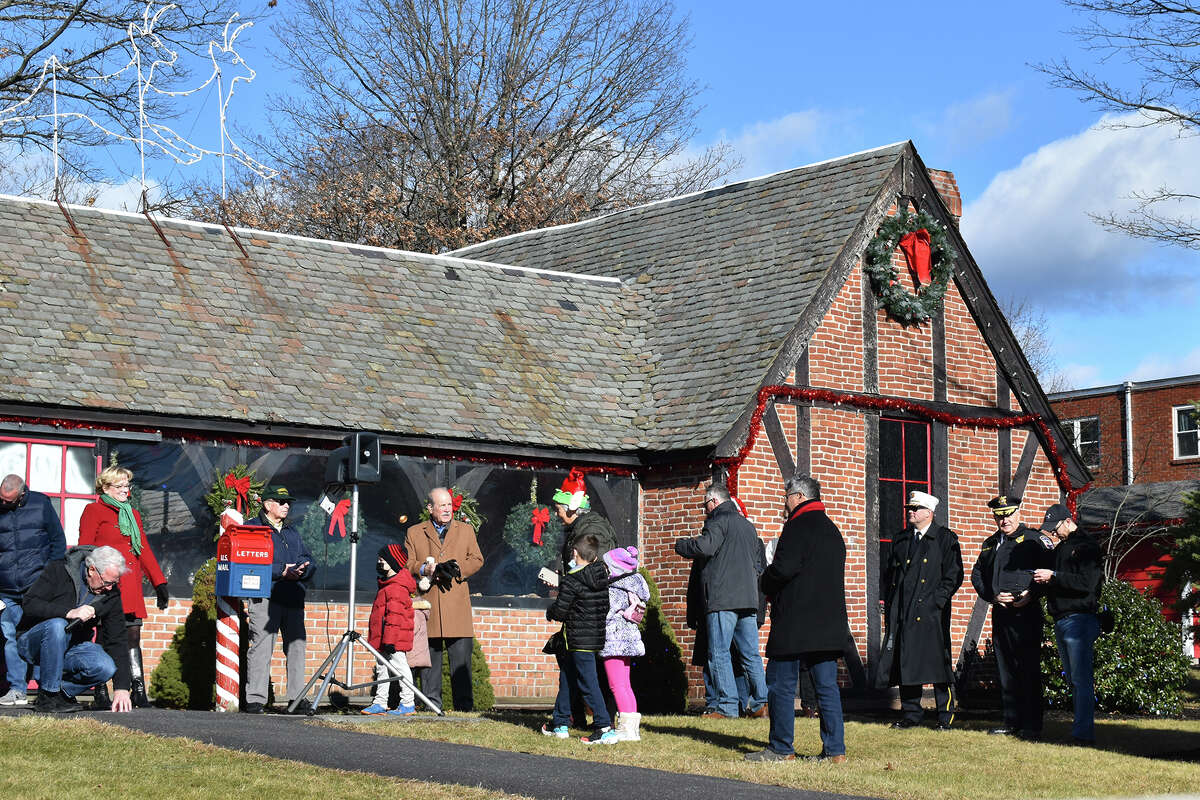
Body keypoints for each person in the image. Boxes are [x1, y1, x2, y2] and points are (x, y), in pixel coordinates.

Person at [747, 475, 848, 763]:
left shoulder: (797, 527)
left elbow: (783, 568)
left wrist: (764, 580)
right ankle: (835, 751)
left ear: (800, 496)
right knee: (826, 687)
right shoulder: (832, 530)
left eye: (787, 496)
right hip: (828, 625)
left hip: (795, 621)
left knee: (780, 683)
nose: (785, 502)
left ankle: (781, 747)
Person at [77, 465, 169, 708]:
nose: (125, 491)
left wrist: (159, 582)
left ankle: (137, 688)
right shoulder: (93, 510)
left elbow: (144, 550)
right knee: (102, 638)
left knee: (132, 635)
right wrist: (90, 581)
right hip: (104, 586)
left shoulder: (133, 514)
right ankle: (100, 691)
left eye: (127, 486)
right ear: (105, 488)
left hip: (129, 586)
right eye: (119, 486)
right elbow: (85, 548)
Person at [675, 483, 767, 719]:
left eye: (705, 505)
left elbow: (705, 547)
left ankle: (726, 706)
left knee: (719, 653)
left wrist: (682, 544)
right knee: (750, 654)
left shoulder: (717, 521)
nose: (705, 510)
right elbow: (757, 565)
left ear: (714, 502)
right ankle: (761, 704)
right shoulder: (748, 526)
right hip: (747, 598)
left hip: (722, 598)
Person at [877, 490, 964, 730]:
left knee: (939, 664)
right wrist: (890, 603)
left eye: (915, 509)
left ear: (929, 512)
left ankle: (945, 716)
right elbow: (890, 574)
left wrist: (938, 601)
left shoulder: (945, 539)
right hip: (904, 610)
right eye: (909, 509)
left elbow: (954, 574)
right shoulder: (902, 539)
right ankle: (911, 714)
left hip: (931, 612)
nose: (911, 512)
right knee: (907, 661)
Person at [970, 494, 1053, 739]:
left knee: (1027, 668)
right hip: (1002, 613)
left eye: (1008, 514)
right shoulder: (990, 543)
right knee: (1005, 669)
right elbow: (977, 575)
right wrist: (992, 596)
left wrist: (1033, 594)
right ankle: (1011, 721)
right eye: (999, 516)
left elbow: (1049, 571)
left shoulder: (1035, 540)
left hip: (1026, 613)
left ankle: (1031, 725)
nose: (1004, 520)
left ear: (1018, 512)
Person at [16, 545, 132, 713]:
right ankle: (48, 696)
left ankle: (61, 693)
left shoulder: (111, 594)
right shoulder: (58, 570)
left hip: (71, 647)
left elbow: (117, 639)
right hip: (33, 641)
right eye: (107, 582)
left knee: (105, 666)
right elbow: (30, 604)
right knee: (58, 625)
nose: (109, 588)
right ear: (92, 570)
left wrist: (122, 688)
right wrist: (69, 612)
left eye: (114, 583)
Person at [407, 487, 484, 712]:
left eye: (449, 505)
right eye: (442, 505)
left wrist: (458, 570)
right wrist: (424, 568)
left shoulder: (466, 530)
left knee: (461, 663)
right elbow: (407, 563)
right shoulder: (414, 532)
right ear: (430, 508)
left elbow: (477, 559)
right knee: (429, 661)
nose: (447, 509)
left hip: (456, 604)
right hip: (428, 603)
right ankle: (432, 705)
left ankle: (464, 709)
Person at [1033, 504, 1103, 745]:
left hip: (1080, 618)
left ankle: (1083, 735)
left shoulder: (1087, 547)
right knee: (1075, 678)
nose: (1054, 533)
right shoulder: (1062, 548)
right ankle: (1081, 731)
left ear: (1068, 521)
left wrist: (1054, 576)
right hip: (1063, 619)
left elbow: (1087, 583)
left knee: (1081, 679)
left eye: (1056, 528)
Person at [541, 533, 618, 745]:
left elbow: (560, 612)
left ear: (575, 553)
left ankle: (603, 726)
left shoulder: (572, 580)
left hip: (576, 639)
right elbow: (605, 608)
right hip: (593, 639)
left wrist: (551, 610)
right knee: (567, 678)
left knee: (588, 683)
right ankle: (560, 723)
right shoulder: (602, 578)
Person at [244, 486, 315, 714]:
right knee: (262, 646)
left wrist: (304, 569)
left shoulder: (292, 531)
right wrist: (280, 571)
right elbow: (248, 562)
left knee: (297, 647)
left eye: (288, 502)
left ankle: (296, 699)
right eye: (282, 501)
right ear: (267, 504)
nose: (287, 505)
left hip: (293, 596)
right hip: (266, 596)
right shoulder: (252, 528)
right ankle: (255, 699)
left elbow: (308, 558)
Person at [0, 474, 67, 707]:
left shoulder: (41, 504)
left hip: (36, 587)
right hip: (5, 590)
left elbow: (58, 542)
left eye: (8, 501)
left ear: (22, 495)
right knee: (8, 636)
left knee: (41, 635)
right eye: (1, 500)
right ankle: (17, 689)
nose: (3, 504)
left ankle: (46, 689)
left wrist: (50, 576)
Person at [599, 546, 650, 741]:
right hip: (628, 641)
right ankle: (632, 729)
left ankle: (626, 730)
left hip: (614, 641)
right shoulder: (633, 586)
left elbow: (605, 614)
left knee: (617, 685)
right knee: (625, 685)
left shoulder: (615, 589)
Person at [363, 543, 418, 716]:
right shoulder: (387, 584)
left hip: (393, 639)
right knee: (382, 668)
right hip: (384, 638)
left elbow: (395, 617)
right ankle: (380, 701)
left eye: (383, 559)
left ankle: (408, 703)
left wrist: (390, 641)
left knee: (401, 668)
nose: (379, 562)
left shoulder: (396, 587)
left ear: (393, 562)